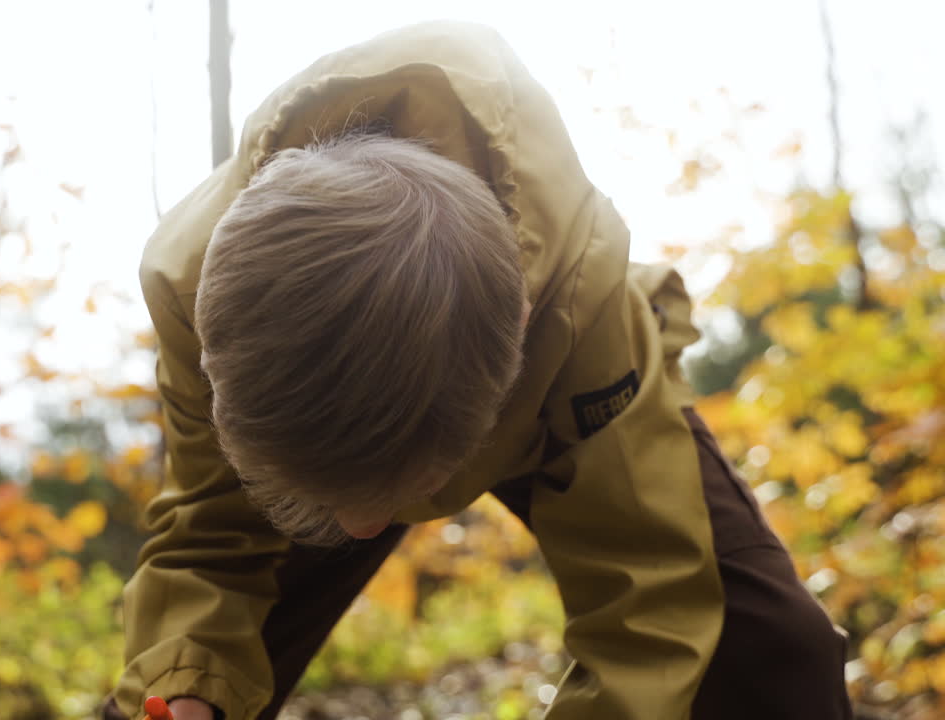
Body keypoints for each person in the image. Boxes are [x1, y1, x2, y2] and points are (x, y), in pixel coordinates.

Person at [103, 21, 854, 720]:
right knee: (177, 681)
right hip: (311, 442)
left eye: (406, 493)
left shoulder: (579, 296)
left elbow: (649, 600)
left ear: (517, 341)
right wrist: (185, 688)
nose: (363, 530)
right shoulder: (191, 288)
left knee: (766, 645)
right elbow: (212, 536)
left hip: (565, 401)